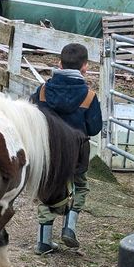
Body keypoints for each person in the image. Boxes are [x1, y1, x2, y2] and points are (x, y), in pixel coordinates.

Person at [30, 42, 102, 253]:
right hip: (77, 153)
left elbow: (32, 115)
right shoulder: (89, 96)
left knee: (47, 188)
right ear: (85, 66)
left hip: (48, 151)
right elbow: (95, 127)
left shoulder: (43, 91)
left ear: (59, 64)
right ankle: (69, 227)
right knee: (79, 187)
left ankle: (43, 241)